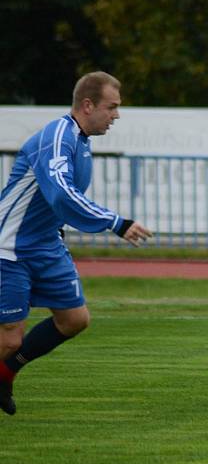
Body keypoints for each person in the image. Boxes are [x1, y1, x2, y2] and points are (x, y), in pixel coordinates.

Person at [0, 71, 152, 415]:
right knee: (10, 338)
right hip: (9, 247)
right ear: (88, 105)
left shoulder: (81, 141)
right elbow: (61, 194)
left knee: (74, 319)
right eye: (111, 107)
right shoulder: (57, 136)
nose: (116, 115)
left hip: (44, 245)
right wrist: (116, 222)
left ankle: (5, 372)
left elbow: (52, 203)